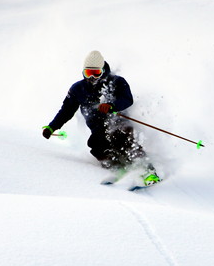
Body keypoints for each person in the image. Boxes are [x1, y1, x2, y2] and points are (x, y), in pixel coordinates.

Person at [42, 51, 159, 183]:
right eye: (88, 73)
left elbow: (127, 99)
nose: (92, 77)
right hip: (98, 128)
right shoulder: (78, 89)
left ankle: (148, 171)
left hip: (118, 122)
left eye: (96, 73)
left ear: (103, 71)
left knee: (124, 139)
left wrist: (111, 105)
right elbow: (66, 111)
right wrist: (52, 127)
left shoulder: (117, 82)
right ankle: (118, 168)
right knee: (97, 146)